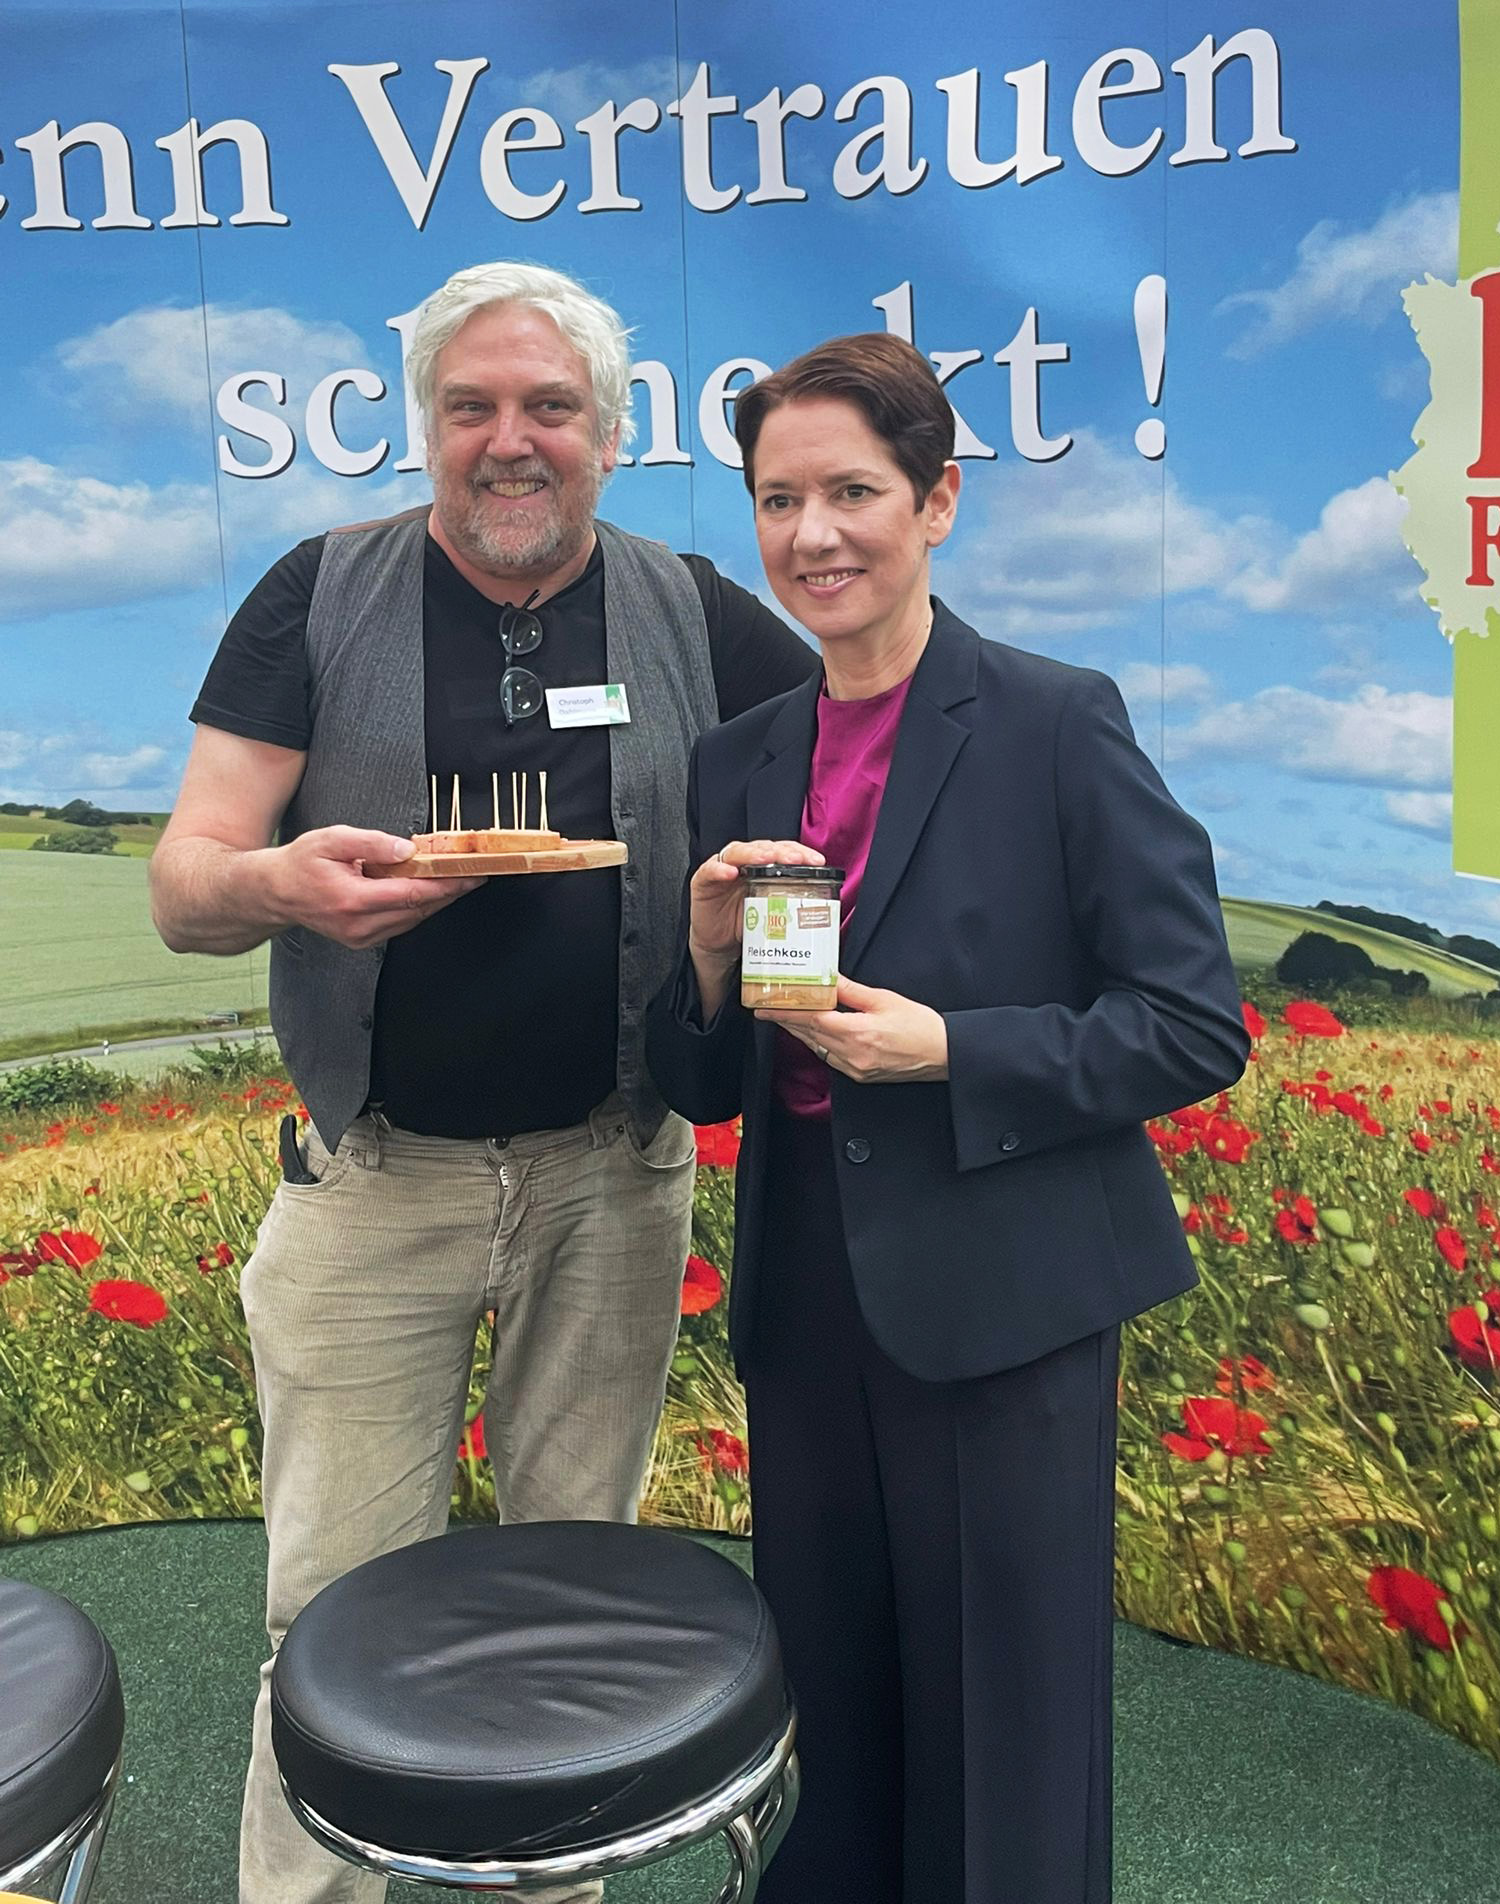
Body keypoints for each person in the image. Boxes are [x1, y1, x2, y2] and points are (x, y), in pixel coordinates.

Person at [148, 260, 816, 1904]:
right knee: (329, 1616)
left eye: (549, 408)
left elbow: (836, 781)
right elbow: (183, 885)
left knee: (566, 1621)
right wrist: (285, 885)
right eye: (473, 407)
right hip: (376, 1183)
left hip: (615, 1176)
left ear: (611, 433)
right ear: (425, 426)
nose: (510, 440)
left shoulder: (691, 610)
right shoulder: (318, 593)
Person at [646, 333, 1249, 1904]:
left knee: (1004, 1740)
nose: (812, 536)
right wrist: (704, 961)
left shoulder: (1056, 721)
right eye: (780, 500)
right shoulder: (740, 757)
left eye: (852, 492)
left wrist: (953, 1053)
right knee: (833, 1717)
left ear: (939, 502)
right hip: (807, 1306)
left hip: (1004, 1306)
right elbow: (701, 1084)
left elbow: (1195, 1023)